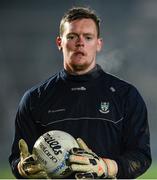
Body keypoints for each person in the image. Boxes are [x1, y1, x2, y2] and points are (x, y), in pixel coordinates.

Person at [9, 6, 152, 179]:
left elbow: (141, 157)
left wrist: (105, 167)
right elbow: (17, 159)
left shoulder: (126, 95)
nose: (80, 43)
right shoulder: (34, 98)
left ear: (98, 44)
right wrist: (22, 169)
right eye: (72, 36)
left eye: (88, 37)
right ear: (59, 43)